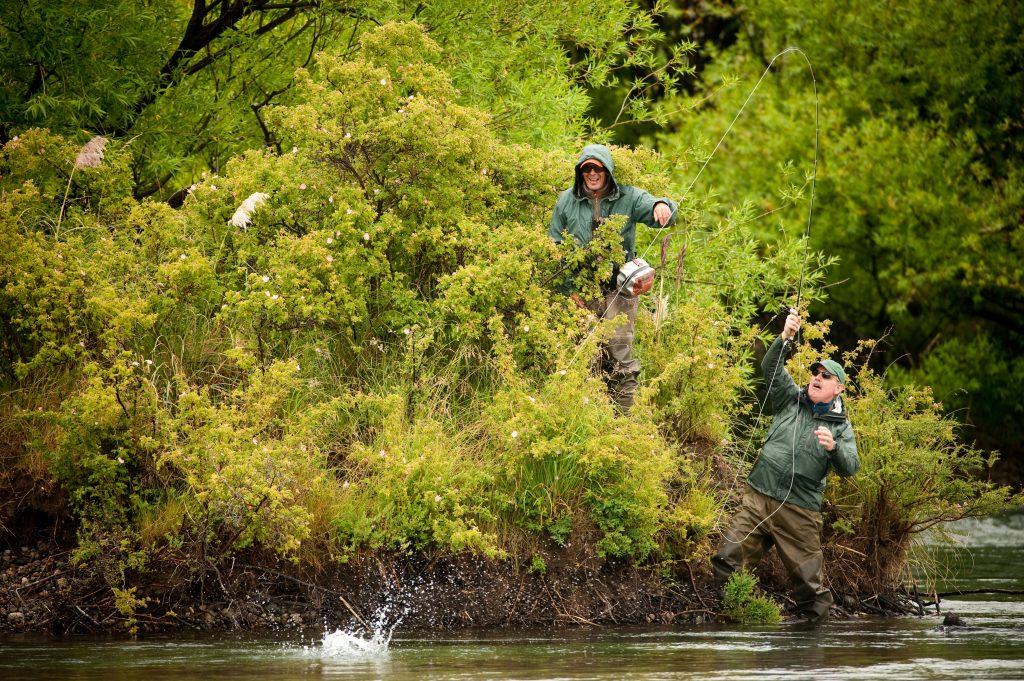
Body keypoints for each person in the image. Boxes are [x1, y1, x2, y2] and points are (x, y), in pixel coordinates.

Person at [712, 308, 859, 622]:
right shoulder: (789, 397)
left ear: (838, 389)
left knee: (810, 588)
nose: (817, 378)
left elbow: (850, 467)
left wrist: (833, 448)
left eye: (825, 377)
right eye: (815, 373)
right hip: (759, 496)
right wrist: (785, 337)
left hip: (799, 511)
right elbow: (770, 366)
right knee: (727, 560)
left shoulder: (841, 426)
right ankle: (745, 619)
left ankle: (809, 652)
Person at [547, 143, 677, 413]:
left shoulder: (628, 197)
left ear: (608, 171)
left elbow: (658, 208)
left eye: (598, 168)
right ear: (580, 172)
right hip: (581, 292)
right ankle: (588, 417)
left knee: (620, 356)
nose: (592, 173)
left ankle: (622, 422)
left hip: (620, 292)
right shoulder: (566, 201)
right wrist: (569, 289)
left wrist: (663, 206)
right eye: (587, 169)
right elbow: (554, 246)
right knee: (584, 356)